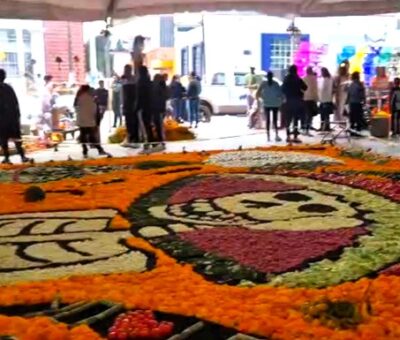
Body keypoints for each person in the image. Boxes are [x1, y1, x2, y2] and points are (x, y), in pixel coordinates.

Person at [0, 69, 30, 164]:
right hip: (12, 118)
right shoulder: (9, 88)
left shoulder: (7, 88)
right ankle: (22, 156)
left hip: (3, 119)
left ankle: (7, 157)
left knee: (3, 139)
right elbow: (15, 104)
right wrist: (17, 116)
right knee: (16, 138)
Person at [74, 85, 110, 158]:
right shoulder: (91, 97)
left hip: (82, 119)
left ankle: (85, 149)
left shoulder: (79, 97)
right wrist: (97, 120)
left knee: (83, 135)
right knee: (92, 136)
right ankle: (99, 149)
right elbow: (95, 109)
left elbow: (76, 106)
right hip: (90, 119)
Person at [282, 65, 307, 144]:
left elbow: (282, 89)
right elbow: (305, 87)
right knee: (296, 119)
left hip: (288, 101)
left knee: (288, 119)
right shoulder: (298, 78)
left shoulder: (286, 79)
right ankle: (295, 136)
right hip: (297, 101)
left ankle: (288, 136)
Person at [256, 71, 283, 142]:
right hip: (275, 104)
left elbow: (257, 93)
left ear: (267, 77)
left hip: (266, 104)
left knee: (267, 119)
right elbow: (280, 94)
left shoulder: (263, 84)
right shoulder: (276, 84)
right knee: (275, 119)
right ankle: (276, 135)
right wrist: (281, 101)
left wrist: (262, 98)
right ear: (272, 76)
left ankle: (268, 136)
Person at [136, 66, 153, 147]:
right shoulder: (149, 81)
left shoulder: (140, 82)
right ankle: (150, 140)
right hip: (149, 105)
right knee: (148, 124)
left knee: (145, 124)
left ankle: (148, 141)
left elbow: (140, 95)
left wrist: (137, 106)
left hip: (143, 106)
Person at [151, 74, 169, 146]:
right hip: (160, 108)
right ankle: (160, 139)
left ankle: (160, 139)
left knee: (158, 124)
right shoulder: (162, 86)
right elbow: (167, 96)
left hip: (157, 108)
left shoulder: (155, 86)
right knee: (159, 125)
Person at [302, 66, 319, 135]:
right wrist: (316, 98)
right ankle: (307, 128)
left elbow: (302, 89)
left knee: (307, 114)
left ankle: (305, 128)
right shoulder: (314, 78)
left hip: (305, 98)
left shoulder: (304, 78)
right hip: (312, 98)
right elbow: (316, 89)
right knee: (310, 115)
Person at [319, 67, 334, 132]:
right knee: (326, 114)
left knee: (323, 114)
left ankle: (323, 126)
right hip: (328, 99)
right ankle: (327, 126)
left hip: (324, 99)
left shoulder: (325, 80)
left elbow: (322, 89)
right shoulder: (330, 79)